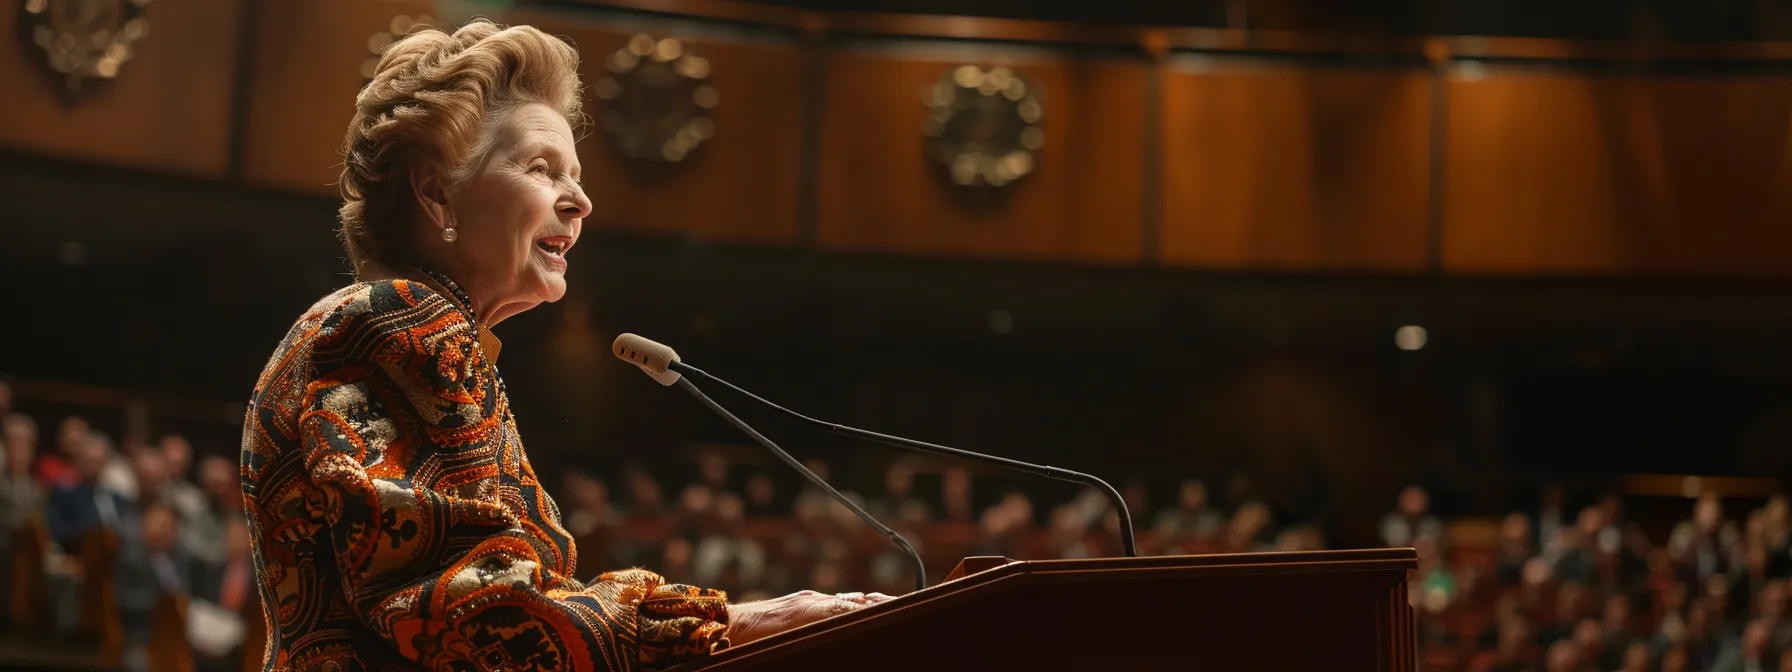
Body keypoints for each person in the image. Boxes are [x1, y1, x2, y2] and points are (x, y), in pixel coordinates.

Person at [239, 20, 890, 672]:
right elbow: (476, 613)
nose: (579, 200)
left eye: (575, 176)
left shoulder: (411, 330)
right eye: (541, 168)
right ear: (438, 191)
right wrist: (749, 621)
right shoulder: (395, 322)